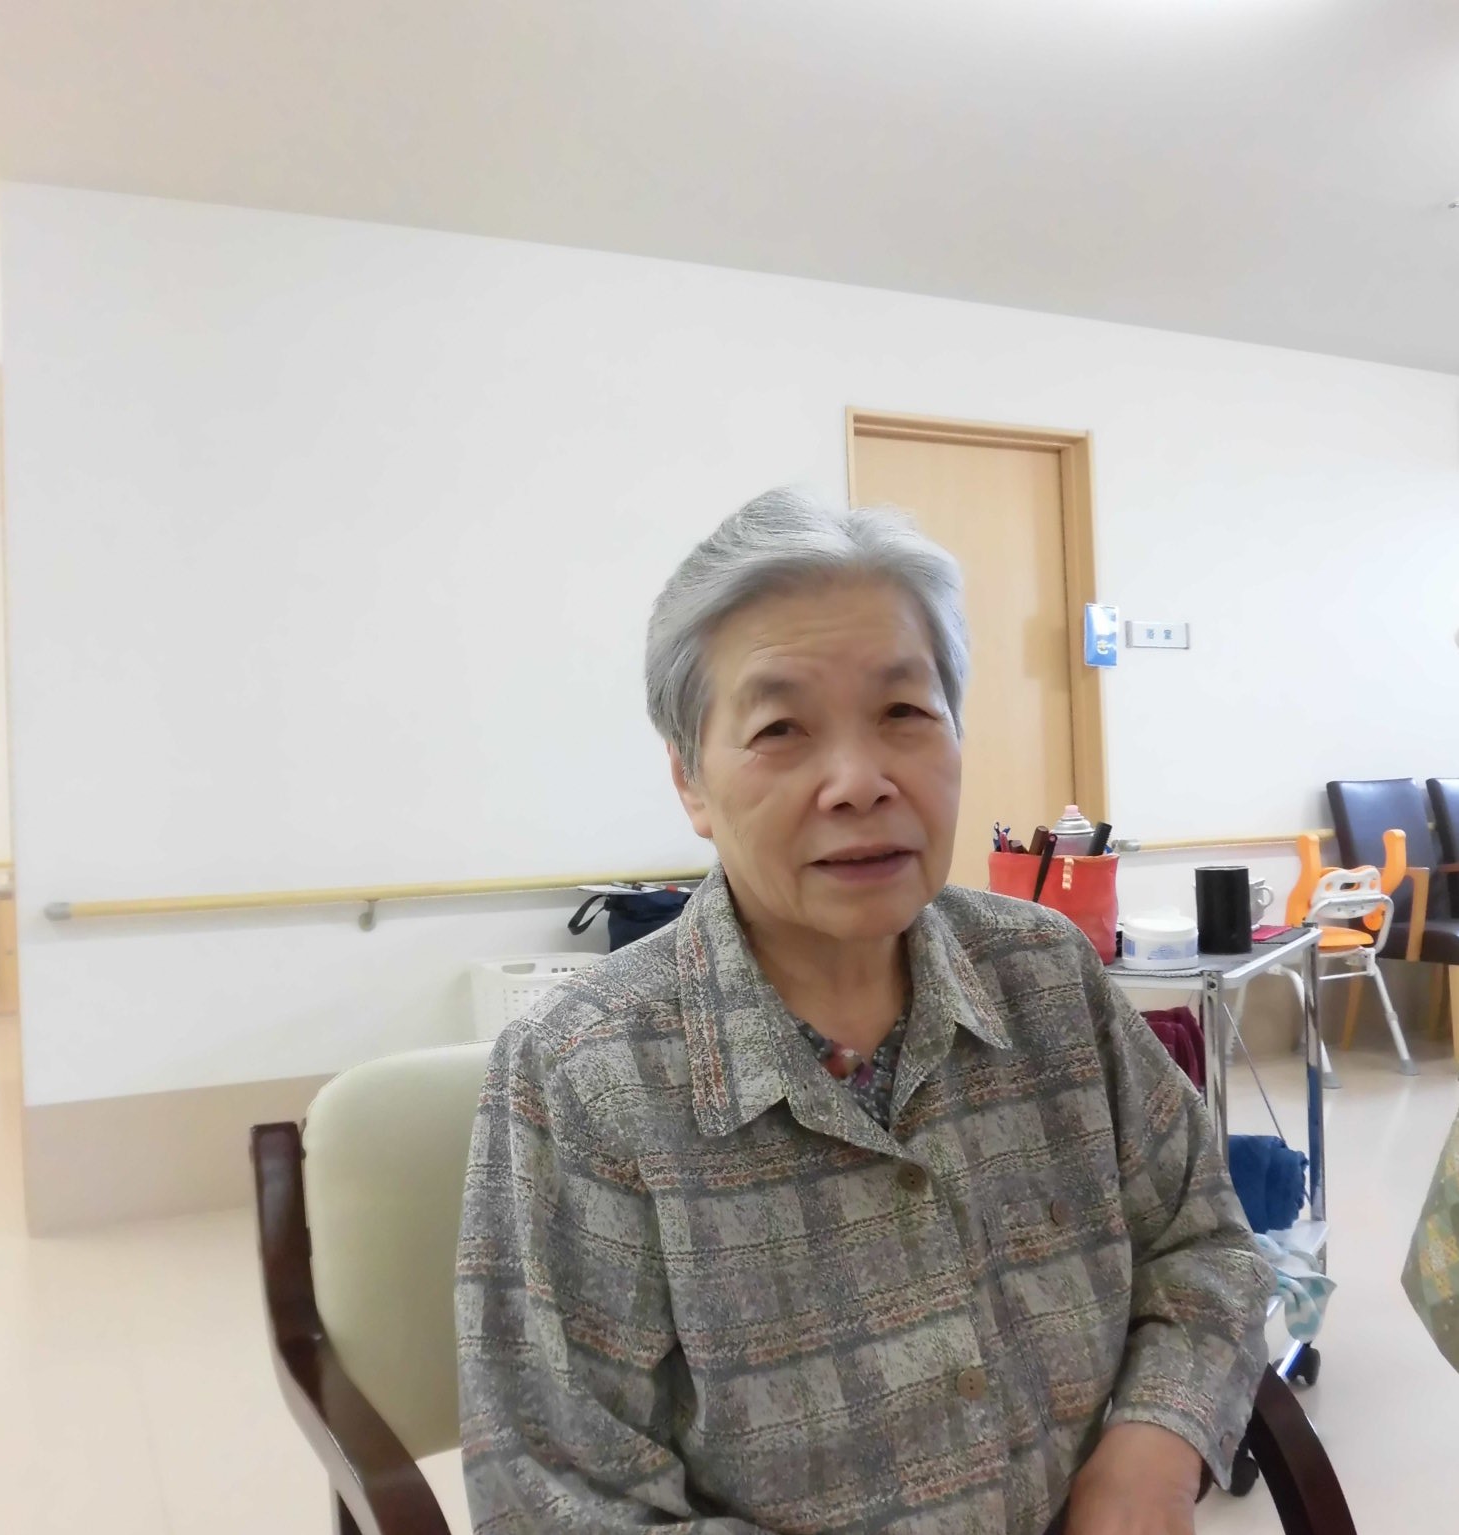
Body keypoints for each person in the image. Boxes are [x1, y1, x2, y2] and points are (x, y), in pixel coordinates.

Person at [457, 487, 1272, 1534]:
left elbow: (1205, 1246)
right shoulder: (582, 1075)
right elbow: (557, 1500)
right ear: (691, 780)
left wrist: (1151, 1449)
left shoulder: (1045, 974)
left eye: (903, 713)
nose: (858, 781)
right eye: (780, 728)